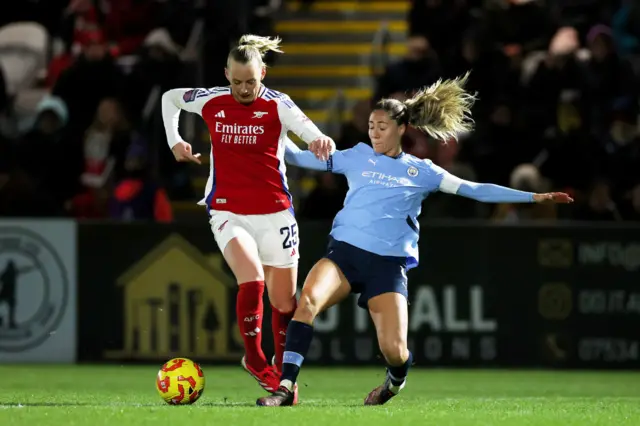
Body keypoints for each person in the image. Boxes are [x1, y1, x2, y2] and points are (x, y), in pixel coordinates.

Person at [256, 73, 573, 407]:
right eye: (370, 125)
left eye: (382, 127)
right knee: (306, 303)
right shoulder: (356, 156)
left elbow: (475, 191)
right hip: (344, 255)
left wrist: (533, 197)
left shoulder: (423, 171)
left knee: (395, 351)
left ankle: (394, 384)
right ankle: (286, 386)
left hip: (387, 266)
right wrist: (266, 123)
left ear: (401, 129)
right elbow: (294, 156)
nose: (374, 133)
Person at [161, 34, 335, 401]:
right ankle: (255, 359)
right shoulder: (212, 100)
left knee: (285, 303)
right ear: (226, 74)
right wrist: (174, 139)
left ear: (264, 74)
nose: (243, 89)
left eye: (251, 82)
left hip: (276, 213)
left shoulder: (278, 104)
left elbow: (310, 132)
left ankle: (284, 373)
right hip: (227, 209)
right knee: (251, 280)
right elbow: (170, 97)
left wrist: (321, 140)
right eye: (237, 81)